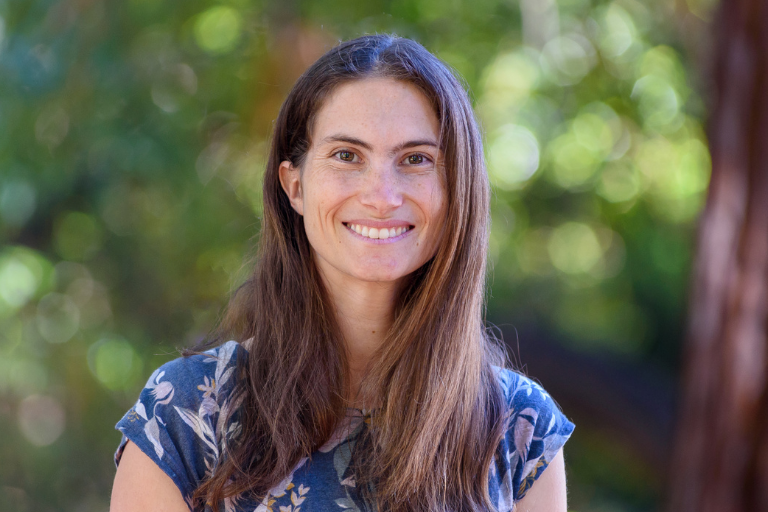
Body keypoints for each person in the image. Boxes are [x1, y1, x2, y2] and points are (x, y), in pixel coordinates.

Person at [110, 34, 574, 512]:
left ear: (457, 189)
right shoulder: (186, 412)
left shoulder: (521, 428)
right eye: (347, 156)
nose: (381, 195)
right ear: (294, 186)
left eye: (416, 159)